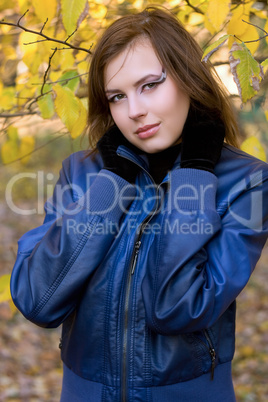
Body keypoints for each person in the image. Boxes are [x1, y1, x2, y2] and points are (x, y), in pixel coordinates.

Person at [10, 6, 268, 402]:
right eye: (117, 96)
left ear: (187, 76)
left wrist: (197, 174)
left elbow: (176, 308)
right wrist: (111, 183)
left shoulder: (246, 181)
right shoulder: (83, 173)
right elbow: (38, 299)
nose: (134, 111)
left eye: (149, 85)